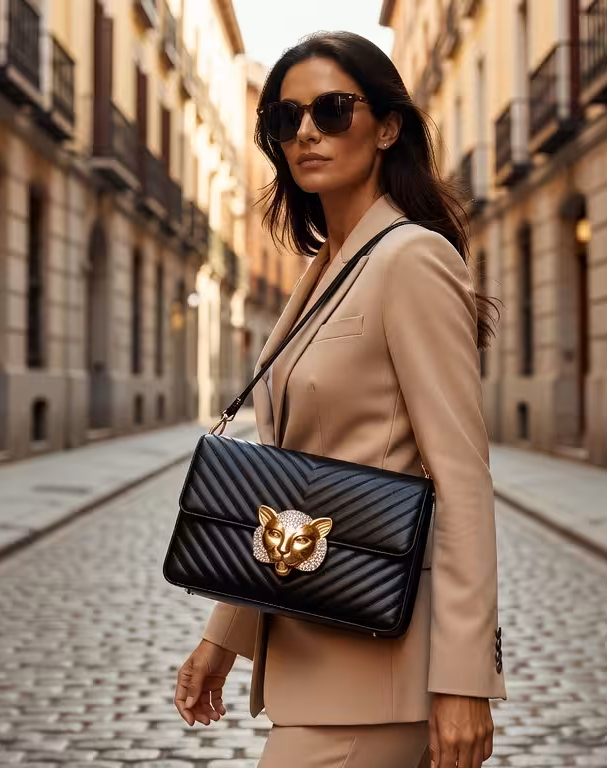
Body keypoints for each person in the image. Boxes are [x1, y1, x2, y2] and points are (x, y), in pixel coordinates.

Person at [173, 31, 506, 768]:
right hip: (315, 659)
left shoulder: (412, 257)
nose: (306, 132)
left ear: (387, 128)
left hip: (378, 670)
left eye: (331, 110)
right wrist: (223, 637)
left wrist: (463, 681)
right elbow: (287, 487)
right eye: (285, 119)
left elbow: (462, 481)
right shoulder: (326, 270)